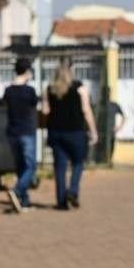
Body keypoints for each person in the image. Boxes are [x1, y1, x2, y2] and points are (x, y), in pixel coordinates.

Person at [43, 63, 98, 210]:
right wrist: (93, 130)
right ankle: (73, 191)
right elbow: (86, 110)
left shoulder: (50, 89)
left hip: (56, 132)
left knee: (60, 167)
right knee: (78, 163)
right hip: (76, 132)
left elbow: (45, 111)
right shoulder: (80, 89)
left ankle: (61, 201)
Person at [2, 58, 38, 213]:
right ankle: (17, 191)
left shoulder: (8, 91)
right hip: (26, 132)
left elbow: (5, 105)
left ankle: (24, 201)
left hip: (12, 132)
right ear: (27, 71)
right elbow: (34, 105)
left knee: (20, 166)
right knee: (30, 166)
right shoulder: (29, 91)